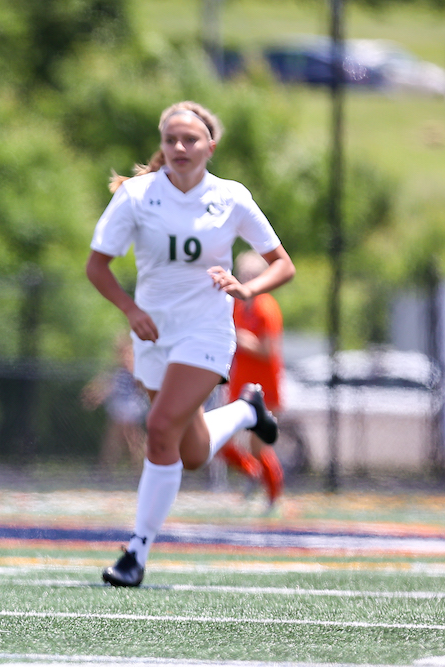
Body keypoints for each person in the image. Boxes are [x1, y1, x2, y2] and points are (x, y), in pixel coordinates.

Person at [85, 101, 295, 587]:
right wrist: (131, 311)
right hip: (155, 333)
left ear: (210, 147)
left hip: (206, 331)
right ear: (161, 145)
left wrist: (248, 289)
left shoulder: (231, 197)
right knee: (192, 452)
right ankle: (246, 411)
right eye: (171, 139)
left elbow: (281, 262)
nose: (180, 147)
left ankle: (136, 552)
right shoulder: (138, 196)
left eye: (191, 139)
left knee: (159, 429)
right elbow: (97, 266)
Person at [216, 250, 286, 507]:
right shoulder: (235, 305)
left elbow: (269, 349)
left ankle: (274, 498)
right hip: (239, 386)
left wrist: (244, 341)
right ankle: (252, 473)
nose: (245, 279)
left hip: (263, 388)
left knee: (259, 446)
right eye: (242, 273)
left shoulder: (266, 307)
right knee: (222, 441)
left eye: (251, 275)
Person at [80, 333, 148, 472]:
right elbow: (107, 386)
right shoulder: (116, 372)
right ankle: (106, 467)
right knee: (116, 438)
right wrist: (95, 395)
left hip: (132, 408)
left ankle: (138, 467)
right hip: (119, 408)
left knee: (132, 439)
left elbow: (143, 388)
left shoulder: (136, 372)